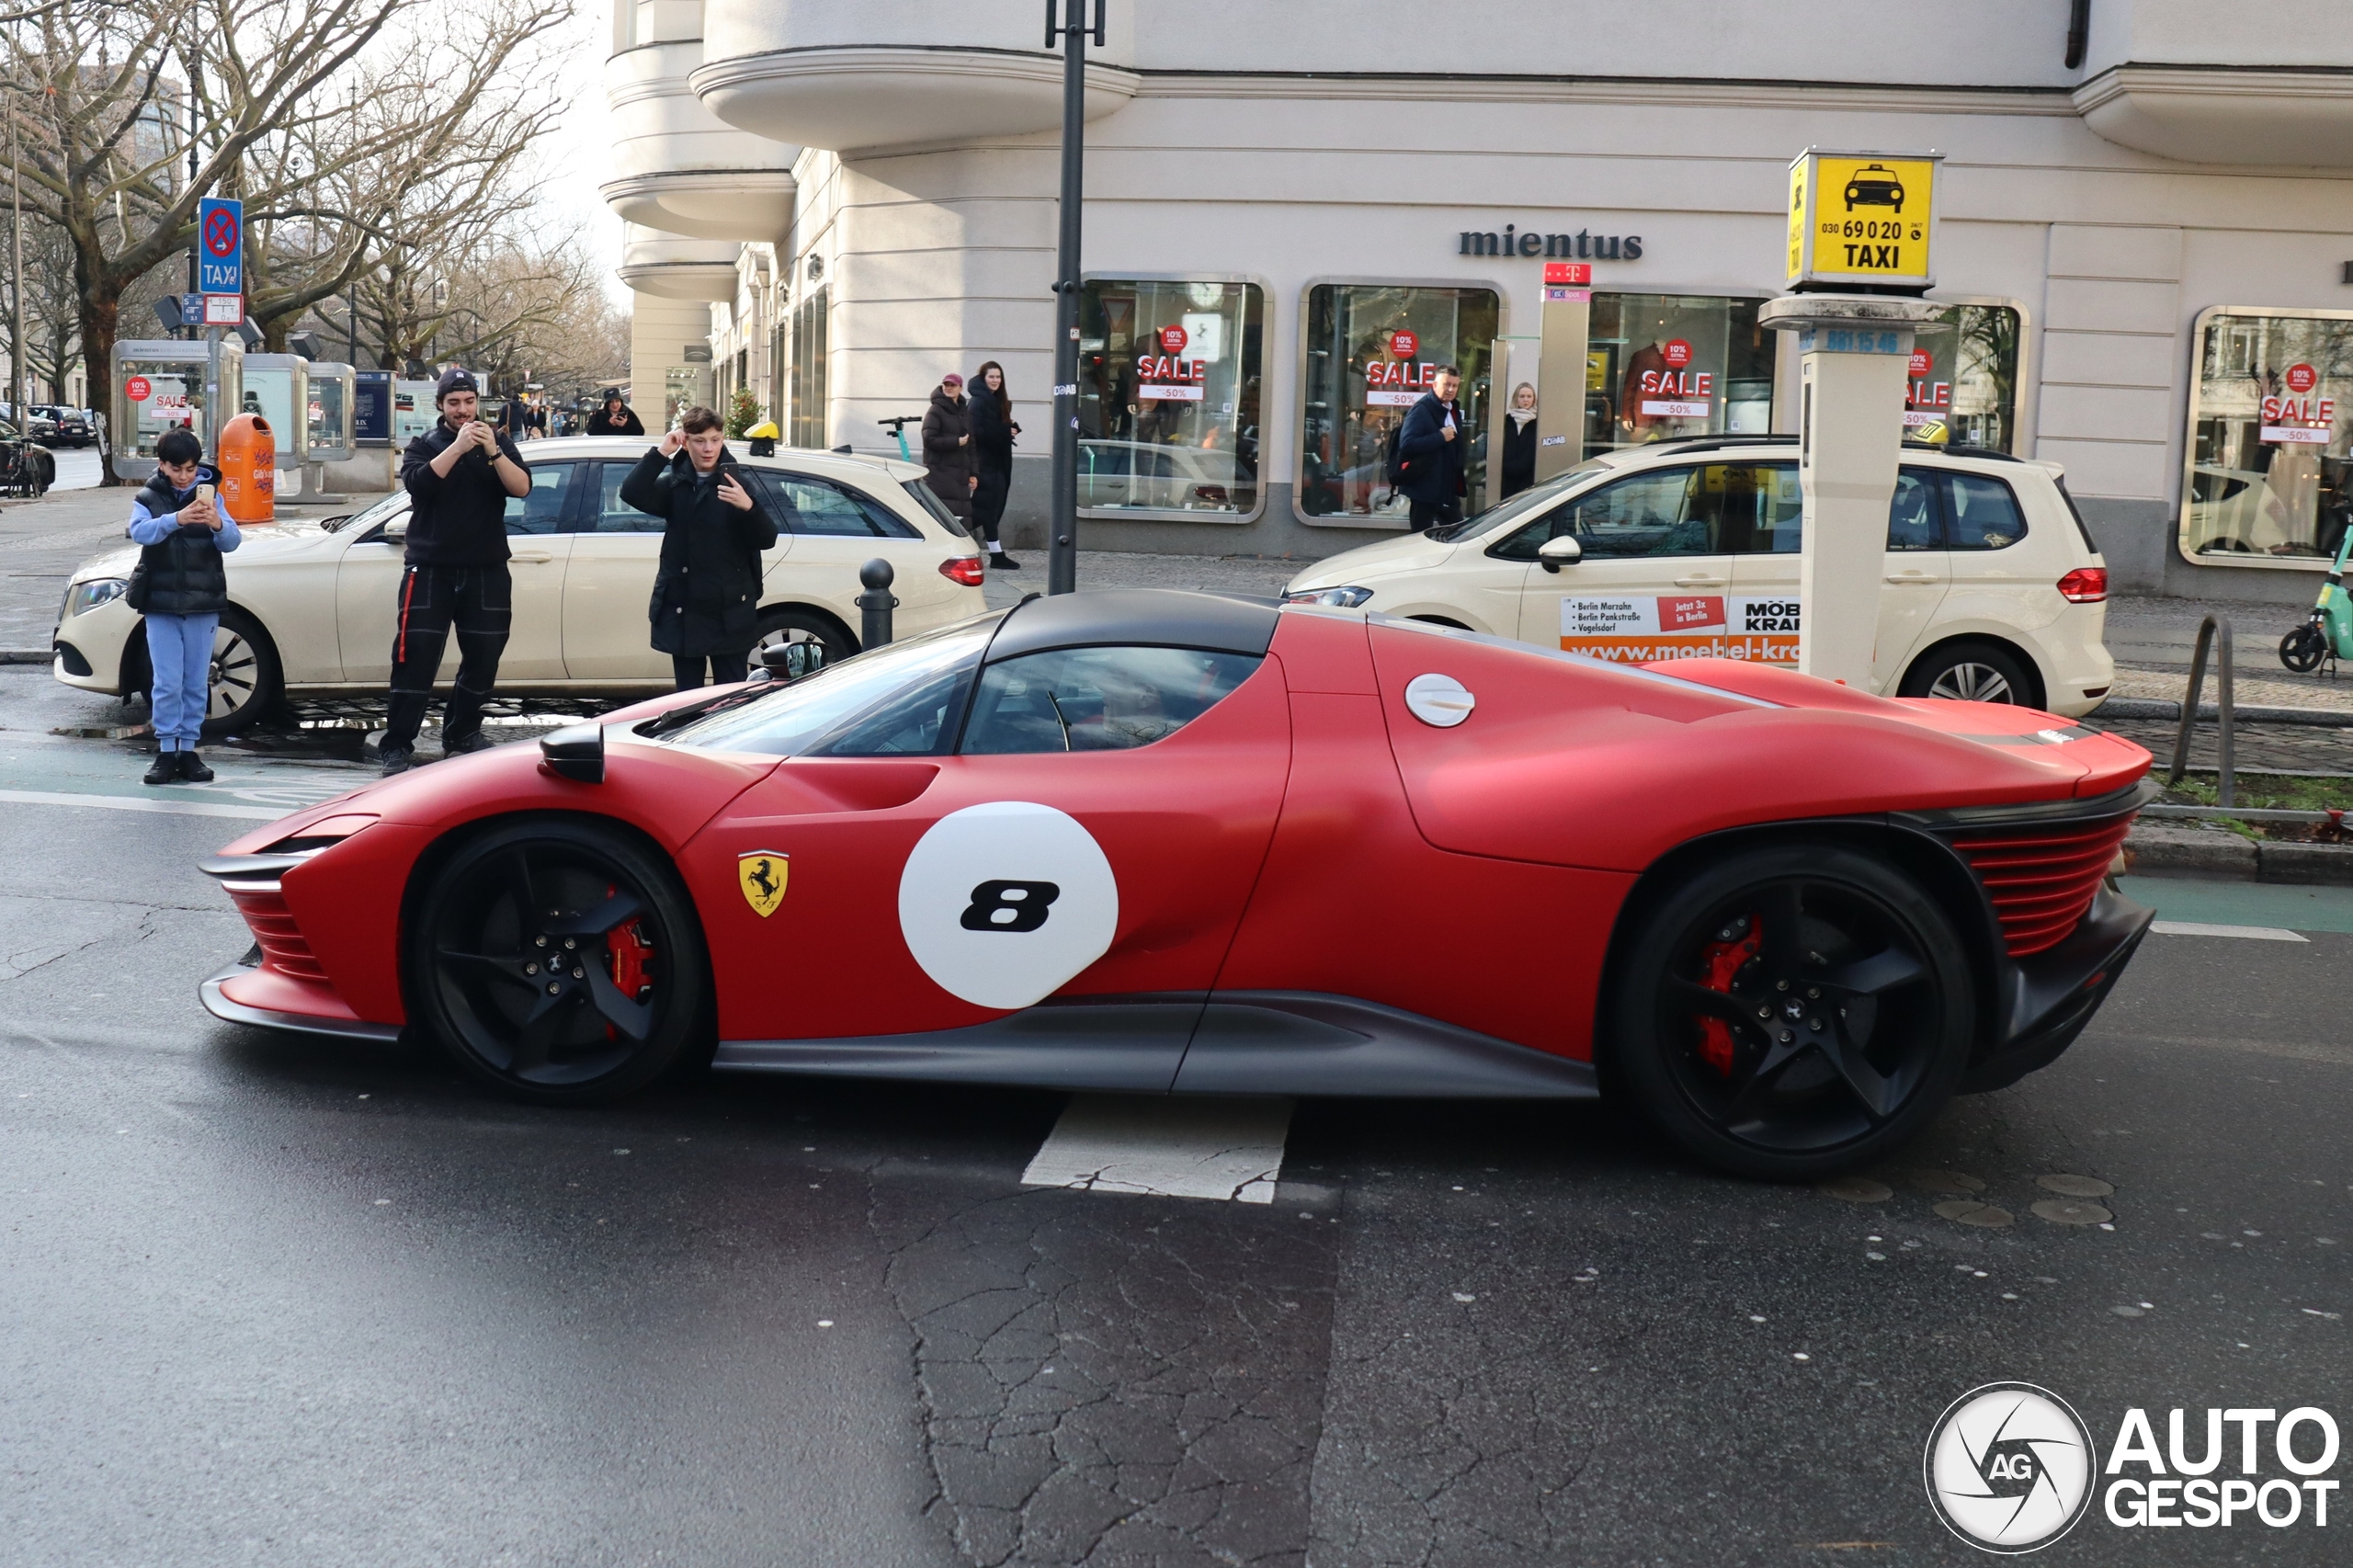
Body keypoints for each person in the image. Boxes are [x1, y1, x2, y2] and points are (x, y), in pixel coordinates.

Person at [380, 367, 532, 776]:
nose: (463, 411)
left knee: (484, 656)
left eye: (468, 402)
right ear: (441, 406)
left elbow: (521, 488)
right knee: (415, 659)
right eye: (454, 403)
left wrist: (494, 451)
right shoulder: (423, 444)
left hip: (486, 567)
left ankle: (462, 733)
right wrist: (458, 448)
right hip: (430, 569)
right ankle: (397, 745)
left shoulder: (497, 442)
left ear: (477, 402)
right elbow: (419, 485)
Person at [620, 404, 778, 689]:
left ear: (722, 440)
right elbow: (631, 492)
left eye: (715, 440)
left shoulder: (737, 485)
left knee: (732, 699)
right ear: (686, 440)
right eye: (700, 440)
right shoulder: (675, 484)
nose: (708, 448)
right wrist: (661, 452)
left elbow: (767, 539)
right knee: (688, 701)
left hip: (729, 610)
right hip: (685, 609)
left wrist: (749, 508)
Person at [127, 426, 239, 785]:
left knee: (194, 681)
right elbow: (139, 532)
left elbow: (233, 541)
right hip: (160, 603)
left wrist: (217, 523)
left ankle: (188, 749)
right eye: (177, 469)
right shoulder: (148, 496)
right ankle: (165, 750)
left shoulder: (212, 496)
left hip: (203, 601)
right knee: (166, 682)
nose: (184, 477)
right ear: (162, 465)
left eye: (190, 469)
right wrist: (175, 520)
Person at [1395, 364, 1469, 532]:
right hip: (1425, 491)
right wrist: (1440, 437)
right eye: (1446, 384)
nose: (1450, 389)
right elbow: (1407, 444)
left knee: (1458, 535)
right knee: (1420, 538)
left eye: (1455, 385)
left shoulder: (1452, 410)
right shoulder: (1421, 410)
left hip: (1447, 489)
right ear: (1435, 385)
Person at [967, 360, 1021, 570]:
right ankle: (953, 537)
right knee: (983, 510)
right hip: (985, 463)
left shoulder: (999, 400)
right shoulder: (978, 402)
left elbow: (996, 427)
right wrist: (1003, 432)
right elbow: (976, 432)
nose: (995, 381)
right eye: (991, 377)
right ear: (983, 378)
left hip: (998, 462)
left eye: (998, 377)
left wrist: (1012, 428)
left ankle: (996, 554)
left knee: (992, 508)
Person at [921, 371, 976, 527]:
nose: (949, 388)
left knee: (960, 520)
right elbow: (929, 439)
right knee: (943, 519)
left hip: (960, 476)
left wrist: (973, 473)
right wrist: (955, 442)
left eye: (953, 385)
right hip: (940, 474)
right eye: (946, 385)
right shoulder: (936, 410)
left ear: (960, 388)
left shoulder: (964, 413)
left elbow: (972, 446)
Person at [1500, 381, 1539, 499]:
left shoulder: (1538, 423)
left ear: (1534, 399)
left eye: (1529, 396)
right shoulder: (1506, 421)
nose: (1525, 400)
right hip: (1505, 481)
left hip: (1529, 481)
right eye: (1522, 396)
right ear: (1516, 398)